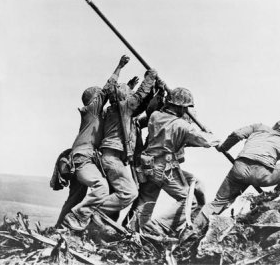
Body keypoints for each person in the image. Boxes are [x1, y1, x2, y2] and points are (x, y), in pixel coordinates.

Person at [128, 87, 220, 234]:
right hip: (165, 167)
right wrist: (209, 134)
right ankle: (157, 227)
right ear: (181, 107)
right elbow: (206, 141)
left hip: (148, 165)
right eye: (185, 108)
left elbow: (173, 134)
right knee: (189, 201)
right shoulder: (183, 126)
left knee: (146, 201)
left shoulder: (155, 116)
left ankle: (133, 231)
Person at [61, 55, 130, 231]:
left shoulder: (98, 116)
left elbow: (115, 99)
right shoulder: (91, 111)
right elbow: (107, 90)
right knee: (101, 186)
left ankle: (60, 228)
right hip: (82, 158)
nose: (103, 99)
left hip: (85, 158)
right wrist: (119, 67)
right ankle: (78, 218)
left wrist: (128, 88)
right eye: (99, 97)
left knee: (75, 197)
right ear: (93, 100)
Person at [201, 119, 280, 218]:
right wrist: (278, 194)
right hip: (261, 174)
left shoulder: (258, 127)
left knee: (217, 204)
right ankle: (275, 196)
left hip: (239, 168)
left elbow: (237, 134)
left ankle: (193, 230)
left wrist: (223, 147)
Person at [94, 68, 158, 222]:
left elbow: (141, 107)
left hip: (115, 159)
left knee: (120, 193)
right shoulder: (124, 108)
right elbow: (139, 97)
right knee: (129, 193)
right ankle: (92, 211)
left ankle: (102, 226)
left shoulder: (118, 113)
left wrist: (156, 93)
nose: (131, 96)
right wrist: (150, 77)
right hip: (114, 159)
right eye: (129, 94)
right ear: (124, 98)